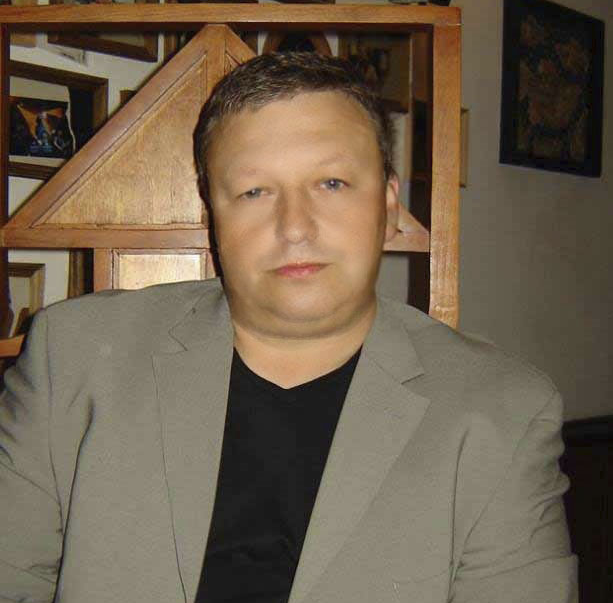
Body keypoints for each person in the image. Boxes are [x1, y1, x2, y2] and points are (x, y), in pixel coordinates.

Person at [0, 53, 577, 603]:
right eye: (254, 191)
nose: (295, 226)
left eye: (332, 183)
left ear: (389, 206)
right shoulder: (73, 360)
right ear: (212, 216)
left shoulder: (502, 413)